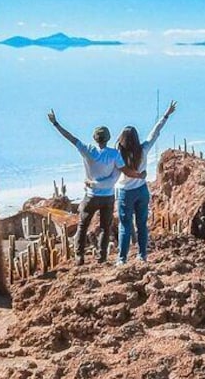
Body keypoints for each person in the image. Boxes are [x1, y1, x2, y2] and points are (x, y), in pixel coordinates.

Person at [47, 110, 144, 265]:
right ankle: (102, 257)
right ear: (108, 138)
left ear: (94, 138)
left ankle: (79, 257)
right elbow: (125, 171)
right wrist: (139, 176)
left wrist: (55, 123)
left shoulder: (88, 150)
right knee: (105, 228)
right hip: (108, 197)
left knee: (82, 226)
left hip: (91, 196)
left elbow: (70, 138)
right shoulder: (114, 154)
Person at [115, 100, 177, 264]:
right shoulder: (143, 149)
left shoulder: (117, 154)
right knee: (142, 224)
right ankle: (142, 255)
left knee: (125, 226)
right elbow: (154, 133)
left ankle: (122, 259)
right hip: (142, 191)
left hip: (125, 192)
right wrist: (165, 115)